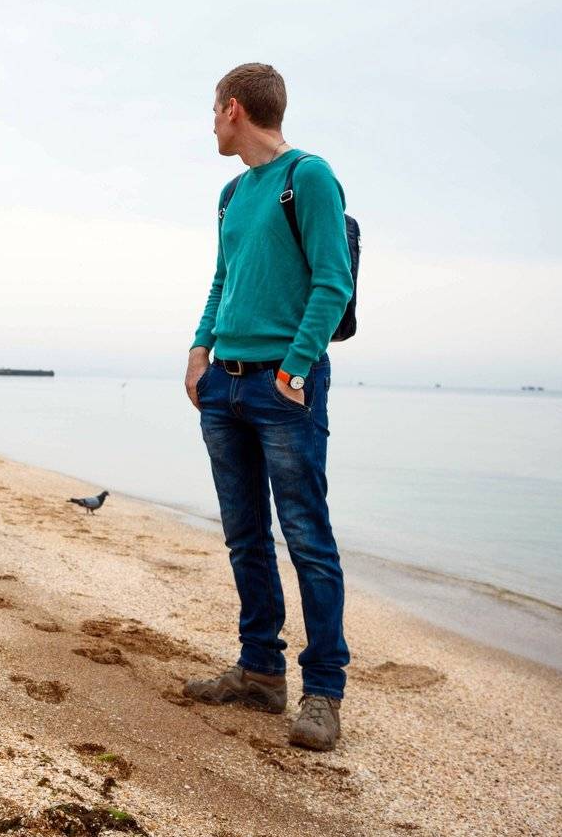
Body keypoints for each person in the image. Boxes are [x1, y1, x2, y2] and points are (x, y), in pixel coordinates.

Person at [182, 62, 355, 752]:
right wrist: (199, 349)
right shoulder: (231, 193)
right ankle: (259, 672)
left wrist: (295, 366)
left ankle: (324, 692)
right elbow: (222, 279)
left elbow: (333, 281)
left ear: (233, 109)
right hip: (223, 386)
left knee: (307, 539)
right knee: (245, 535)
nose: (211, 126)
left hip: (283, 389)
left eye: (212, 112)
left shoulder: (307, 177)